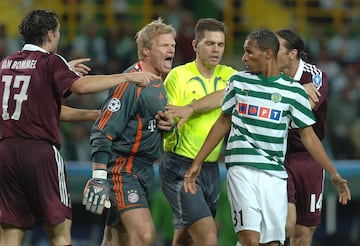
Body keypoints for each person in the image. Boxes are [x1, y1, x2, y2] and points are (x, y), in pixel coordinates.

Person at [0, 9, 159, 246]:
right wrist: (126, 78)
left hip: (6, 153)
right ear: (50, 33)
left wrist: (95, 114)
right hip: (40, 153)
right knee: (60, 232)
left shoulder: (6, 63)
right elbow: (80, 87)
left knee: (10, 234)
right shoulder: (50, 62)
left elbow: (45, 110)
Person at [183, 29, 351, 246]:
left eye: (249, 52)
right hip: (242, 170)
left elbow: (309, 136)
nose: (243, 58)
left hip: (274, 173)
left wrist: (333, 173)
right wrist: (198, 161)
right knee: (251, 238)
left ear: (268, 54)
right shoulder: (238, 82)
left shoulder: (294, 91)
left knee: (275, 240)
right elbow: (223, 121)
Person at [82, 18, 176, 246]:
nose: (171, 49)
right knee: (144, 234)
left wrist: (169, 126)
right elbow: (102, 130)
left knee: (117, 239)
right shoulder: (130, 83)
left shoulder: (158, 83)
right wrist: (99, 177)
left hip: (143, 170)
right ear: (145, 51)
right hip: (123, 171)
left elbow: (148, 126)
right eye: (164, 45)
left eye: (173, 44)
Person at [158, 18, 237, 246]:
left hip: (211, 168)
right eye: (210, 43)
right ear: (195, 46)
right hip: (180, 166)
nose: (216, 50)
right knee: (207, 235)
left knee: (185, 239)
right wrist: (169, 121)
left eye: (220, 45)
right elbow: (170, 116)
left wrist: (191, 107)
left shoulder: (230, 75)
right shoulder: (178, 76)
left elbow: (227, 94)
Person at [275, 28, 328, 246]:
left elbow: (303, 109)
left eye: (276, 48)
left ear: (292, 53)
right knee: (284, 225)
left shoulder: (315, 76)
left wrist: (281, 93)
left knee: (304, 232)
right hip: (277, 155)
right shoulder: (267, 75)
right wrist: (296, 89)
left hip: (308, 157)